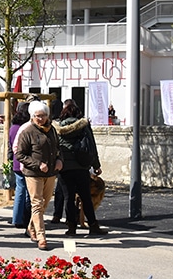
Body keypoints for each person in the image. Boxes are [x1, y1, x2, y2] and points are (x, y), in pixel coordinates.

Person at [14, 100, 62, 250]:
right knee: (36, 203)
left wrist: (60, 160)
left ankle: (31, 227)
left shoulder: (52, 130)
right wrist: (37, 164)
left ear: (48, 116)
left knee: (45, 203)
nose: (40, 119)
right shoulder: (27, 131)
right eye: (37, 116)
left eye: (43, 116)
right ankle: (42, 236)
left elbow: (58, 148)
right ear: (32, 116)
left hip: (50, 173)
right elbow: (20, 154)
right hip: (33, 173)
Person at [55, 99, 107, 236]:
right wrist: (96, 166)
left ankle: (71, 227)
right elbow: (91, 146)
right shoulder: (83, 126)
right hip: (81, 167)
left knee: (68, 198)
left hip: (64, 168)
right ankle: (93, 226)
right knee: (85, 197)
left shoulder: (57, 128)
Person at [9, 102, 32, 231]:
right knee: (28, 191)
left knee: (19, 190)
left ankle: (16, 218)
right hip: (26, 162)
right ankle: (26, 217)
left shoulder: (13, 127)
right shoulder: (27, 127)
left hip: (16, 161)